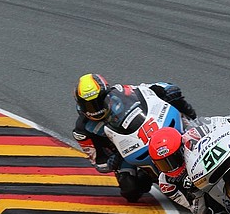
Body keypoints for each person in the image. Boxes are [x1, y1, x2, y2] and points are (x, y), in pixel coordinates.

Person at [72, 73, 197, 202]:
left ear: (106, 93)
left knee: (173, 96)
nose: (95, 108)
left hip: (147, 128)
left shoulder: (122, 92)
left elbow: (146, 89)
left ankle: (194, 122)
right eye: (89, 105)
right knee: (130, 190)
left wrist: (165, 89)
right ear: (80, 104)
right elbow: (99, 163)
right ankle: (148, 175)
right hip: (124, 153)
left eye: (99, 101)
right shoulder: (82, 131)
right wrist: (112, 161)